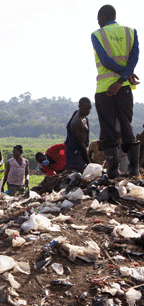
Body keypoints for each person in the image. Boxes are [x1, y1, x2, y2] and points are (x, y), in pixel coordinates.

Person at [92, 4, 140, 178]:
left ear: (102, 18)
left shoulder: (97, 35)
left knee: (108, 129)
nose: (98, 23)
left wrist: (118, 80)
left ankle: (113, 171)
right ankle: (134, 169)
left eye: (98, 19)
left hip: (105, 89)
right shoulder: (131, 32)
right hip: (125, 89)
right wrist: (123, 79)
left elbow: (105, 61)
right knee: (127, 125)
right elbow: (134, 58)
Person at [65, 98, 92, 173]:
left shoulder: (83, 116)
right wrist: (88, 162)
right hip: (75, 153)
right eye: (86, 108)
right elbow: (81, 144)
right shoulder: (77, 122)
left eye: (90, 108)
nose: (88, 111)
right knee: (78, 175)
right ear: (80, 106)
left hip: (79, 151)